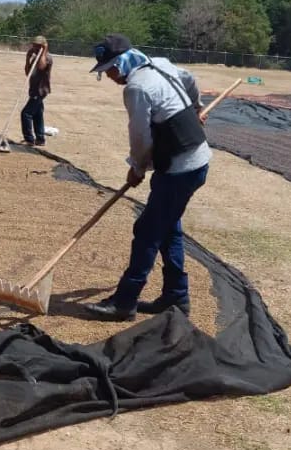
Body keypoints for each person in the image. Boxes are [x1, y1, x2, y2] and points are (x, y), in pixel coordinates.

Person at [84, 35, 211, 322]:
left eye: (111, 69)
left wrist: (137, 168)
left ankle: (125, 301)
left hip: (182, 167)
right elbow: (189, 78)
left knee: (147, 232)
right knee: (168, 228)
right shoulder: (161, 64)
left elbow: (140, 137)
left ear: (124, 62)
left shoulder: (137, 88)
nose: (111, 76)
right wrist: (195, 107)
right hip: (195, 159)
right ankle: (176, 296)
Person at [21, 36, 52, 146]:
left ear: (44, 46)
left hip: (40, 91)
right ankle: (40, 139)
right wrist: (28, 57)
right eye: (34, 45)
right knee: (38, 114)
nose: (35, 48)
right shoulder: (35, 57)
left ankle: (29, 139)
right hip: (34, 90)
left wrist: (43, 51)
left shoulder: (47, 58)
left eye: (38, 46)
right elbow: (28, 73)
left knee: (26, 113)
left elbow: (41, 67)